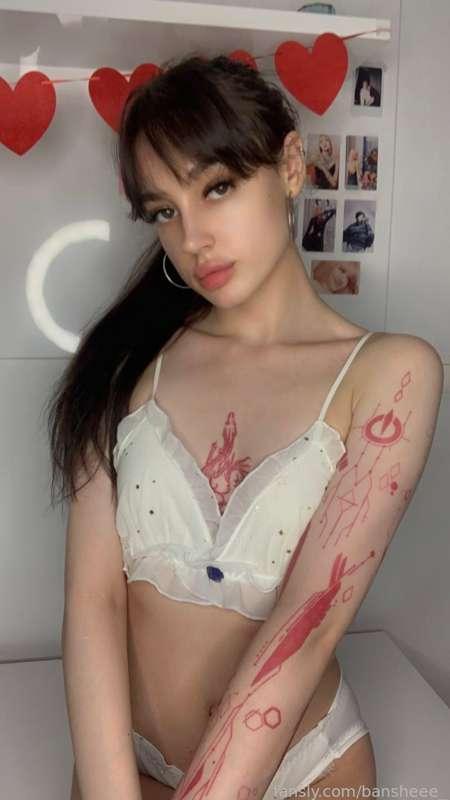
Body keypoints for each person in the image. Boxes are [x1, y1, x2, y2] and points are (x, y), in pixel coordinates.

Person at [47, 54, 443, 800]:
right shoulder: (124, 362)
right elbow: (93, 602)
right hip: (129, 766)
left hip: (307, 774)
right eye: (165, 211)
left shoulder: (391, 373)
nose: (192, 237)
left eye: (217, 187)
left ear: (290, 166)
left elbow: (309, 624)